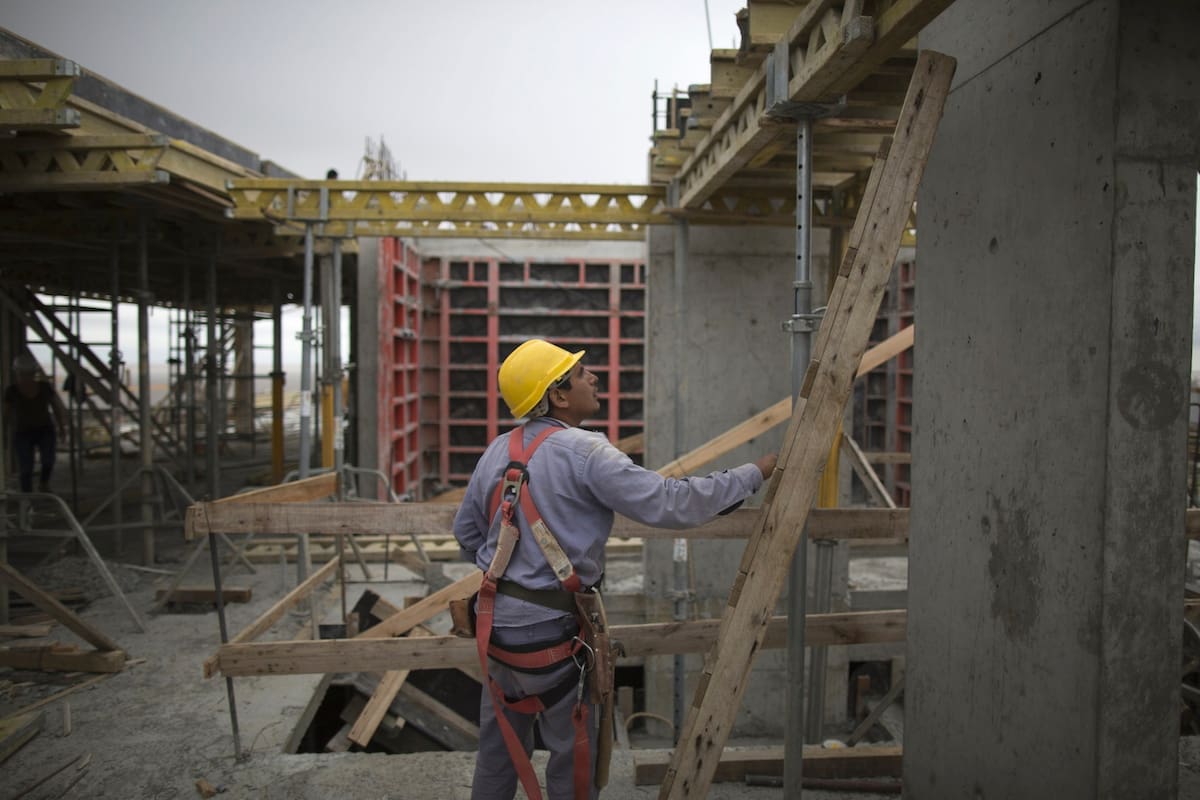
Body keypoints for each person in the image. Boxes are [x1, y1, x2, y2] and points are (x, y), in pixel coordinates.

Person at [453, 338, 777, 800]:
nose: (594, 377)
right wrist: (754, 472)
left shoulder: (497, 451)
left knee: (500, 752)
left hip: (496, 632)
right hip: (554, 637)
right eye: (582, 373)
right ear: (559, 395)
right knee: (573, 755)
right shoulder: (587, 452)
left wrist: (512, 570)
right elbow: (672, 504)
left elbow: (467, 533)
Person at [4, 353, 67, 493]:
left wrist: (62, 428)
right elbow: (6, 415)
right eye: (23, 374)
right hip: (23, 432)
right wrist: (4, 434)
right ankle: (27, 500)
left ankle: (43, 484)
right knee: (26, 468)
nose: (26, 378)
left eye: (29, 374)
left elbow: (56, 407)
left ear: (34, 373)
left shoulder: (44, 388)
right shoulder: (12, 391)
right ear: (18, 374)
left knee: (48, 461)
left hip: (45, 430)